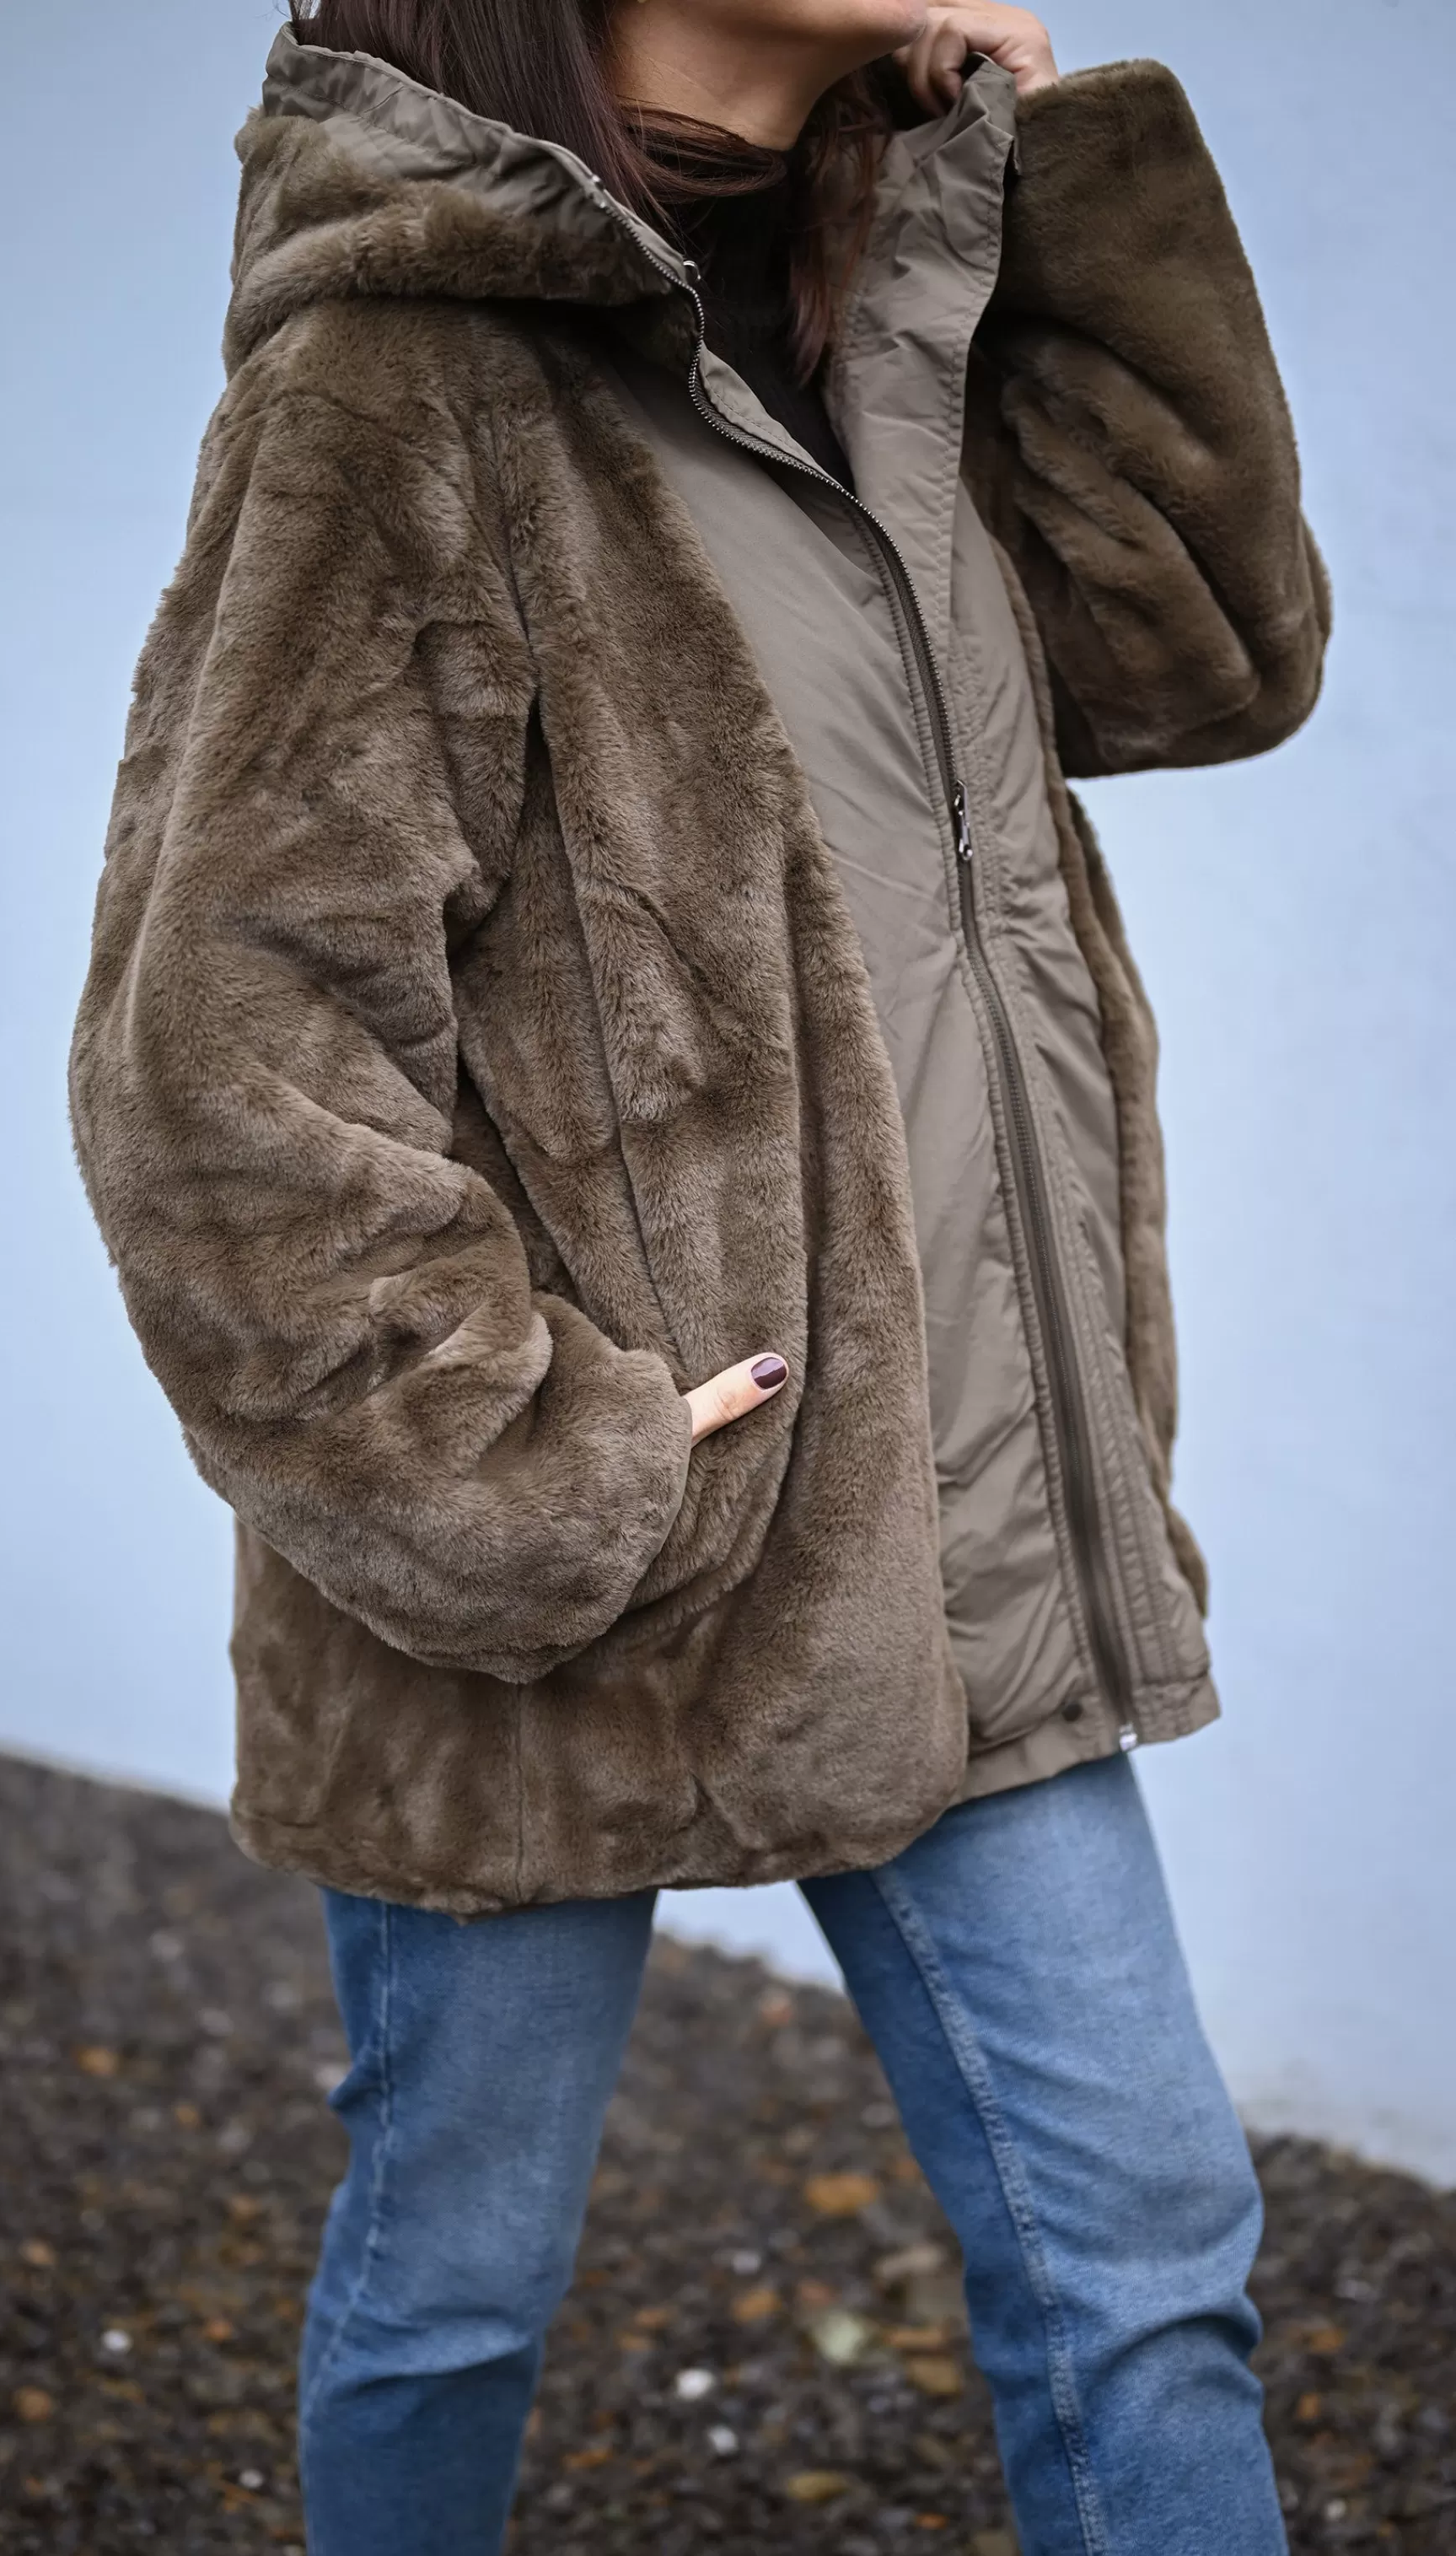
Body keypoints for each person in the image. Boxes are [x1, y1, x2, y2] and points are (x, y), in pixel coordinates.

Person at [68, 1, 1329, 2546]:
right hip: (583, 1559)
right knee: (455, 2283)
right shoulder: (402, 374)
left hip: (957, 1528)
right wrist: (556, 1478)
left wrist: (1060, 188)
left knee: (1151, 2267)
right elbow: (223, 1064)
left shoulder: (906, 318)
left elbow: (1215, 653)